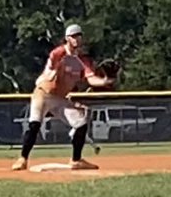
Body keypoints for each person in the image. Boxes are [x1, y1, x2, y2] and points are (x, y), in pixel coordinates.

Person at [12, 24, 115, 171]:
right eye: (73, 36)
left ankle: (76, 160)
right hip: (43, 93)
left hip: (60, 99)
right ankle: (22, 159)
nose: (77, 39)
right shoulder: (59, 53)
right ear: (67, 38)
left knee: (81, 123)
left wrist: (105, 81)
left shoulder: (82, 60)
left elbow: (91, 79)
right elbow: (51, 68)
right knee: (34, 125)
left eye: (79, 35)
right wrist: (54, 70)